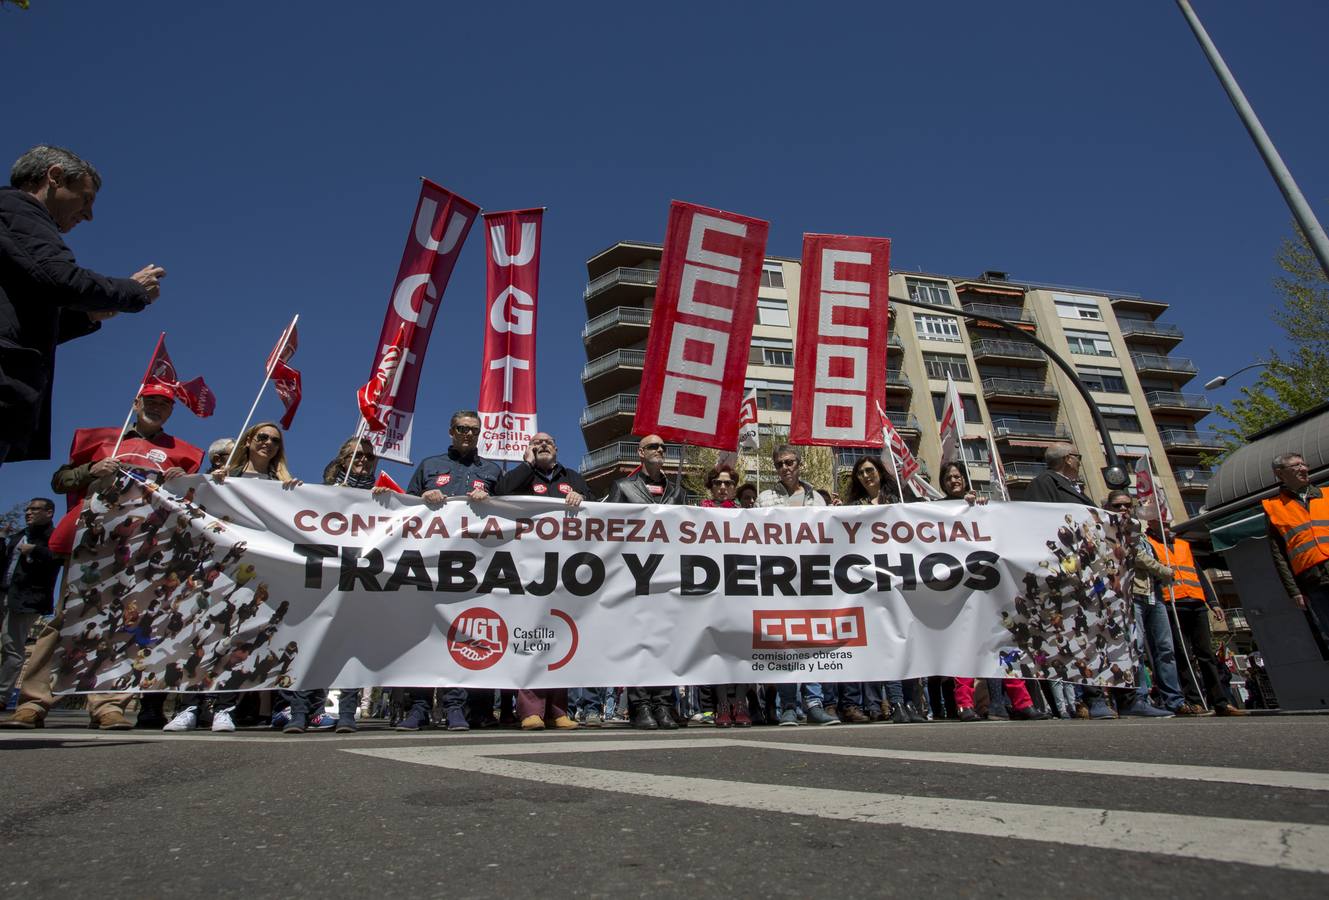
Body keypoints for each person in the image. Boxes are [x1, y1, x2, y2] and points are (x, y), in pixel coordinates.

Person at [1, 386, 203, 729]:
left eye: (164, 405)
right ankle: (34, 701)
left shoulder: (181, 453)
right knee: (65, 618)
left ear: (171, 412)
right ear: (136, 403)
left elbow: (192, 500)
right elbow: (61, 480)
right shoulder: (104, 440)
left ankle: (109, 704)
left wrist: (183, 481)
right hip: (91, 542)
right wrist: (91, 470)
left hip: (143, 546)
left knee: (126, 621)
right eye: (151, 401)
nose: (156, 408)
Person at [1, 145, 165, 465]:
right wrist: (132, 290)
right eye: (85, 199)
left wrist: (88, 314)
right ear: (55, 176)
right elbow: (59, 278)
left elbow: (23, 319)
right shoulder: (16, 208)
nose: (88, 215)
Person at [397, 411, 501, 732]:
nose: (468, 434)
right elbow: (402, 510)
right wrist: (422, 497)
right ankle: (418, 706)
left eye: (473, 430)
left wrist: (491, 501)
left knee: (462, 633)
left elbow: (509, 516)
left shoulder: (493, 470)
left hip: (472, 567)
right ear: (450, 430)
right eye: (461, 428)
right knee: (423, 634)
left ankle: (456, 705)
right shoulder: (429, 465)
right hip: (428, 563)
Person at [935, 461, 1048, 722]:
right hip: (959, 589)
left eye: (958, 476)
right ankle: (964, 704)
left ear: (965, 479)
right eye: (949, 477)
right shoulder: (937, 509)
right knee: (964, 647)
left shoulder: (980, 506)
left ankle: (1022, 702)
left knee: (1003, 641)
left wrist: (982, 510)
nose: (954, 480)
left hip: (989, 586)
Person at [493, 432, 587, 731]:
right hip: (526, 569)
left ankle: (558, 709)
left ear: (557, 448)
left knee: (560, 637)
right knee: (530, 637)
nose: (543, 445)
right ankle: (529, 707)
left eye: (548, 442)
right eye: (536, 443)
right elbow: (501, 493)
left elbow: (596, 508)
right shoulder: (520, 476)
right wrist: (526, 464)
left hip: (563, 570)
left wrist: (581, 498)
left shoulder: (571, 476)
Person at [756, 445, 839, 726]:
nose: (785, 468)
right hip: (779, 583)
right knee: (784, 643)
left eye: (789, 462)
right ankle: (788, 706)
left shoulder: (818, 499)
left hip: (811, 580)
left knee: (811, 642)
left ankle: (814, 704)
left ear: (799, 464)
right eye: (779, 464)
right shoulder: (764, 498)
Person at [608, 434, 685, 729]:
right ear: (640, 453)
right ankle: (640, 704)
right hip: (633, 575)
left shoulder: (676, 492)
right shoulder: (623, 487)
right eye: (654, 446)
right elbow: (609, 532)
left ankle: (664, 704)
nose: (661, 450)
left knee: (665, 641)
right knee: (637, 641)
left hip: (666, 575)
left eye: (663, 447)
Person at [1147, 521, 1247, 717]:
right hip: (1172, 604)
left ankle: (1220, 701)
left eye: (1169, 525)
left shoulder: (1183, 545)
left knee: (1206, 654)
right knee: (1183, 654)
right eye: (1163, 525)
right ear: (1152, 525)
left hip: (1196, 602)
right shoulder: (1150, 544)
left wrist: (1213, 602)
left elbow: (1199, 574)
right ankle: (1194, 700)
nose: (1168, 529)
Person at [1103, 491, 1182, 718]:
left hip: (1153, 594)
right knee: (1135, 648)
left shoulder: (1139, 530)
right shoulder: (1110, 530)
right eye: (1118, 506)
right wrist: (1162, 570)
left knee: (1165, 648)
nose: (1123, 510)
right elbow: (1133, 555)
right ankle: (1140, 698)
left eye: (1127, 505)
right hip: (1130, 595)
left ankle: (1173, 700)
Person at [692, 464, 752, 728]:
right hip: (711, 589)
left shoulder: (745, 515)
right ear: (711, 486)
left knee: (742, 647)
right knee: (716, 649)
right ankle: (721, 705)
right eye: (718, 483)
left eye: (728, 483)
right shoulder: (698, 512)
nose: (723, 487)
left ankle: (740, 702)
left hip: (740, 588)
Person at [1262, 452, 1329, 644]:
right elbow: (1279, 555)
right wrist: (1294, 590)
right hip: (1314, 581)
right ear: (1280, 474)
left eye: (1304, 464)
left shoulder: (1327, 495)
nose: (1303, 469)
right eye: (1296, 466)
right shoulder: (1274, 508)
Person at [0, 498, 58, 701]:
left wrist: (36, 550)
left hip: (26, 599)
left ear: (49, 512)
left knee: (11, 647)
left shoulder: (53, 536)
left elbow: (57, 559)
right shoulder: (19, 536)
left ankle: (2, 695)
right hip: (5, 593)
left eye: (34, 509)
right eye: (27, 509)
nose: (28, 513)